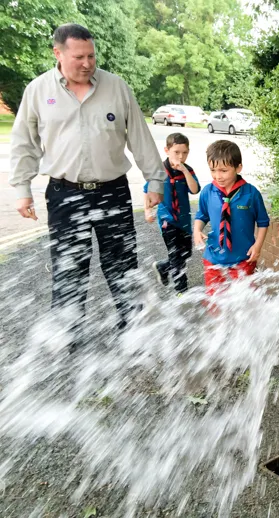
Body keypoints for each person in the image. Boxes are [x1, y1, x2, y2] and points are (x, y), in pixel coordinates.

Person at [9, 23, 164, 346]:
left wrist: (155, 180)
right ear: (58, 53)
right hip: (65, 194)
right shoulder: (38, 91)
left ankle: (133, 334)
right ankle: (70, 338)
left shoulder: (116, 87)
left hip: (113, 191)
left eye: (91, 56)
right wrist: (22, 189)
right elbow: (24, 143)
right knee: (69, 269)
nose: (87, 63)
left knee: (123, 265)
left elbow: (139, 136)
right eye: (79, 56)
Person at [193, 140, 269, 296]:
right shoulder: (208, 192)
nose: (217, 176)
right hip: (213, 257)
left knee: (243, 301)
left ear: (238, 167)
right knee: (216, 302)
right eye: (213, 170)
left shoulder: (251, 194)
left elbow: (263, 222)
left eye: (223, 170)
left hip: (243, 259)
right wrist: (197, 230)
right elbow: (202, 215)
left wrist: (258, 246)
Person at [144, 132, 200, 294]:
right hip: (167, 219)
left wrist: (184, 170)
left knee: (186, 254)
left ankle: (162, 267)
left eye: (185, 153)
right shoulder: (159, 170)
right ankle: (181, 291)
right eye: (176, 152)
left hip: (183, 220)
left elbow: (194, 189)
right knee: (176, 256)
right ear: (166, 150)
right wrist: (148, 210)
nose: (181, 156)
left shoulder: (188, 170)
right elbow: (147, 190)